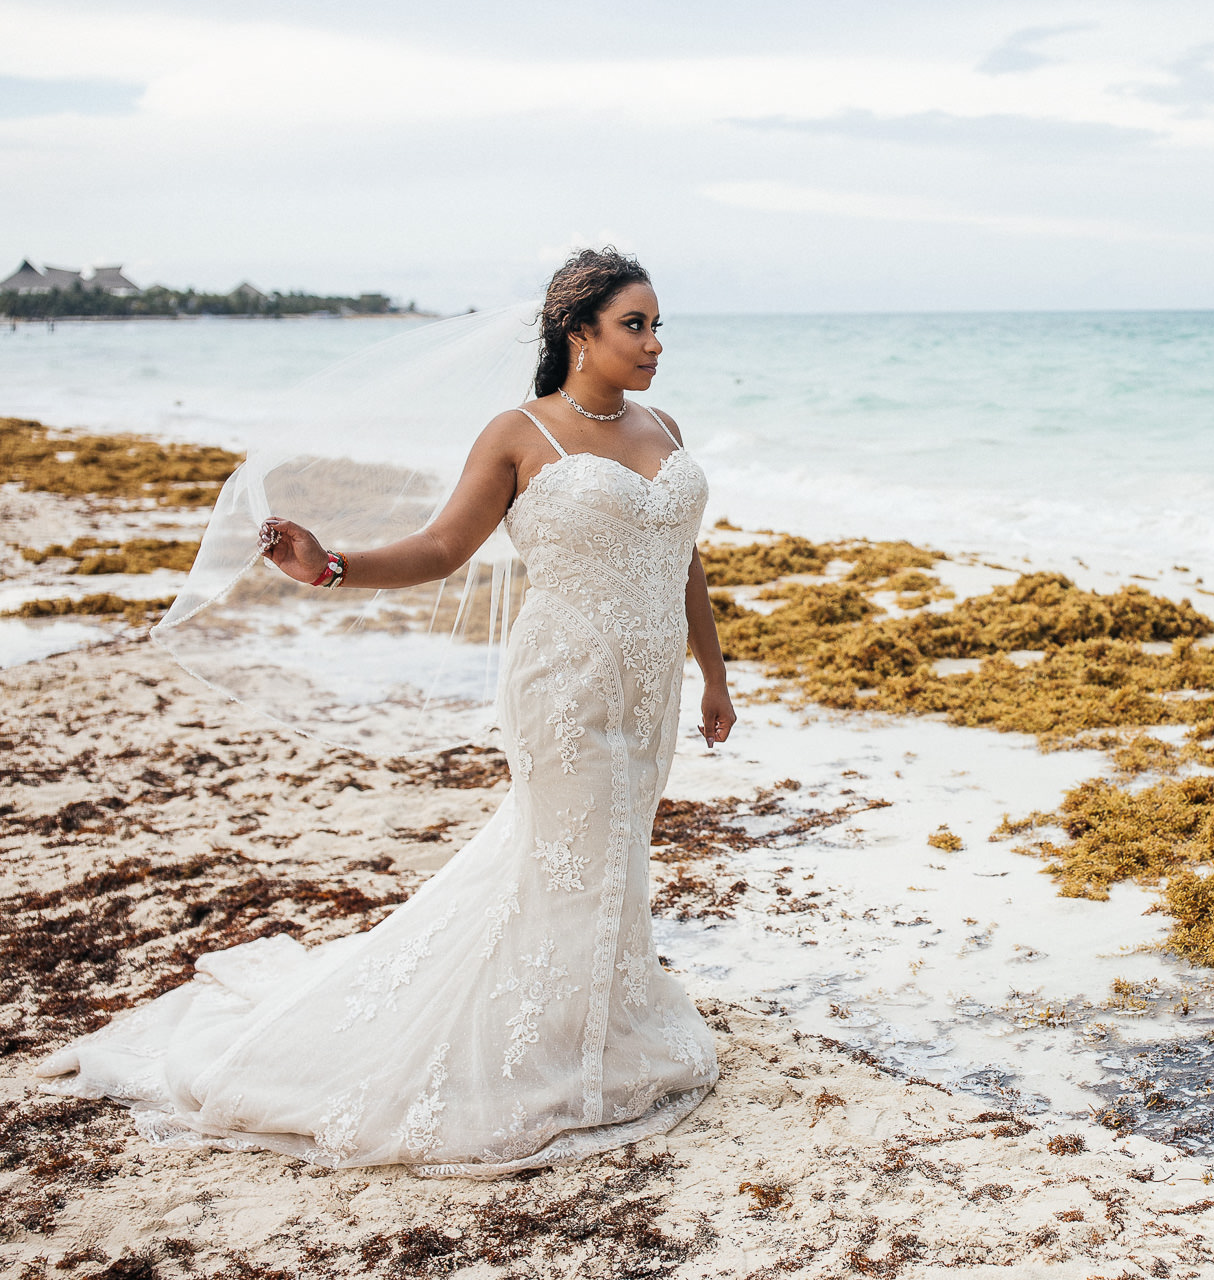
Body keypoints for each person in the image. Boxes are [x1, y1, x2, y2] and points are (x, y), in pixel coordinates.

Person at [36, 247, 738, 1177]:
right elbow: (443, 547)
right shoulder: (521, 433)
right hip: (565, 686)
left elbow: (681, 558)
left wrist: (714, 674)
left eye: (657, 324)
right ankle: (545, 1049)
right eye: (634, 325)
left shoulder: (662, 425)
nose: (655, 342)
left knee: (611, 853)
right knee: (570, 852)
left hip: (650, 691)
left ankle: (596, 1017)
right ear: (580, 334)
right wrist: (331, 568)